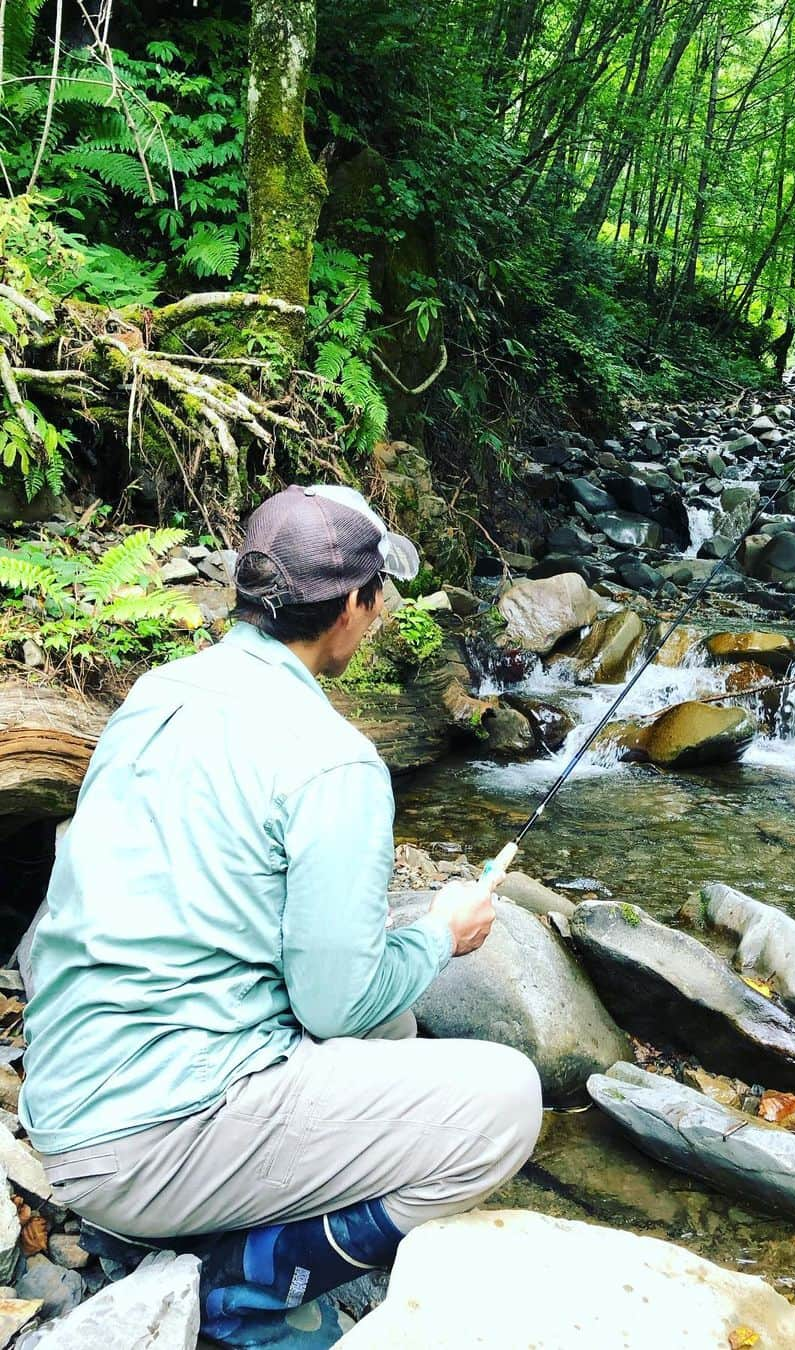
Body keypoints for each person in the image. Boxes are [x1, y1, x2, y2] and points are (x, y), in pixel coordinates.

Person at [19, 484, 543, 1347]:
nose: (378, 615)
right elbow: (333, 1004)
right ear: (351, 607)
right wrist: (441, 934)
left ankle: (184, 1221)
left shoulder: (156, 691)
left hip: (68, 1098)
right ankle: (247, 1288)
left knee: (394, 1024)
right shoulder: (335, 762)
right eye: (378, 597)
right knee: (504, 1100)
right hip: (142, 1143)